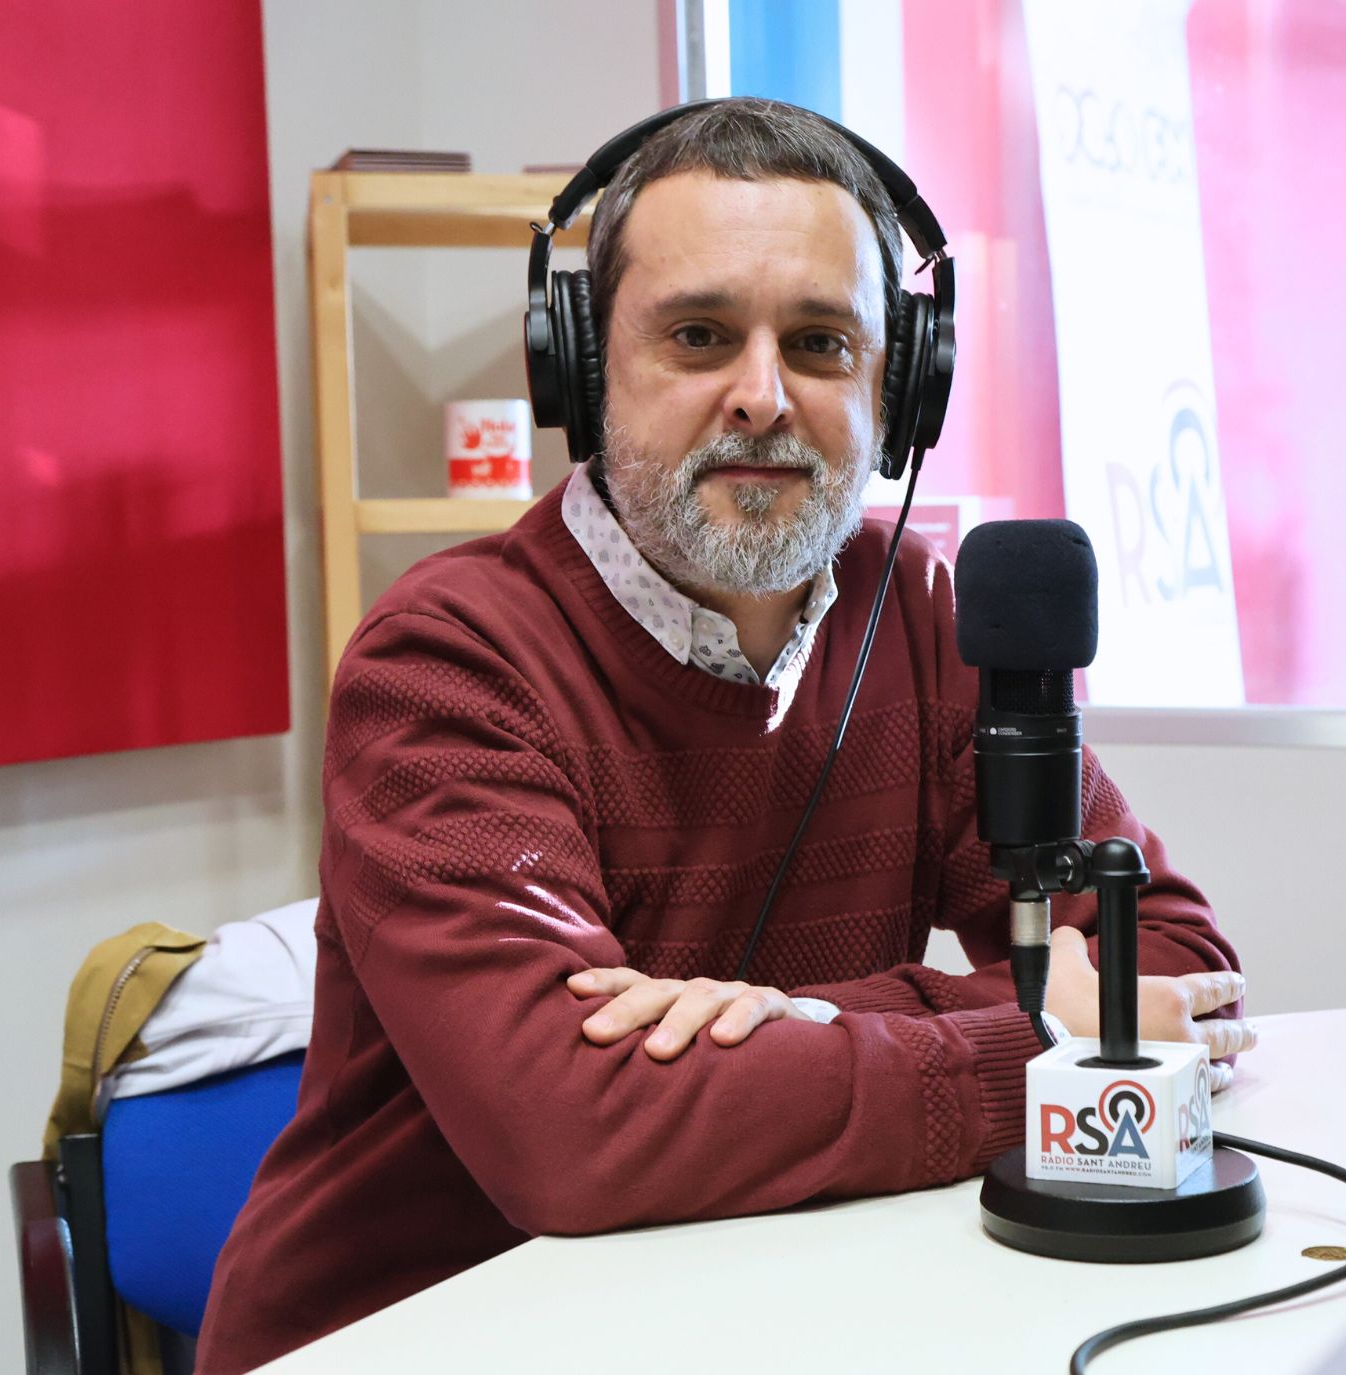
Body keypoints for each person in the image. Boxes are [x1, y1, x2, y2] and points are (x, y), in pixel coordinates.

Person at [195, 98, 1250, 1375]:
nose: (762, 397)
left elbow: (1173, 968)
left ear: (899, 384)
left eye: (817, 343)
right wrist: (1032, 1029)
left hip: (747, 1314)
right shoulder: (447, 665)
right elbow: (573, 1133)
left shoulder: (916, 616)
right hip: (421, 1336)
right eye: (698, 335)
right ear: (583, 368)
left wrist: (793, 1017)